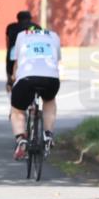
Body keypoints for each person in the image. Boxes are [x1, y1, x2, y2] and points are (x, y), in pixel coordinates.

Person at [9, 24, 61, 161]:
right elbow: (57, 60)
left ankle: (21, 139)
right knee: (49, 101)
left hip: (26, 78)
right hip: (51, 79)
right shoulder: (54, 36)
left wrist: (13, 77)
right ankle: (48, 134)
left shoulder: (21, 36)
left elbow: (17, 62)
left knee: (17, 111)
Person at [5, 10, 33, 92]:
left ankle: (10, 83)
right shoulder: (36, 27)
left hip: (13, 52)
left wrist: (9, 50)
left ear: (18, 18)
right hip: (30, 52)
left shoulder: (11, 27)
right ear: (30, 18)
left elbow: (7, 41)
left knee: (10, 69)